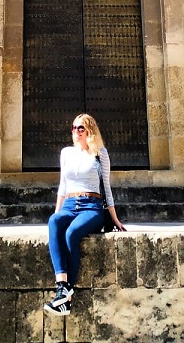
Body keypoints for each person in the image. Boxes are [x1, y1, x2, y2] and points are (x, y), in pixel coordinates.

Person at [44, 113, 126, 316]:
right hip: (70, 204)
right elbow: (62, 186)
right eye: (74, 128)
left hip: (92, 205)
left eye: (81, 128)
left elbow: (106, 187)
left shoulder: (100, 154)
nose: (76, 132)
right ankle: (62, 286)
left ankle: (65, 295)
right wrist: (57, 214)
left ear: (90, 130)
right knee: (54, 222)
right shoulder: (66, 153)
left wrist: (114, 218)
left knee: (72, 233)